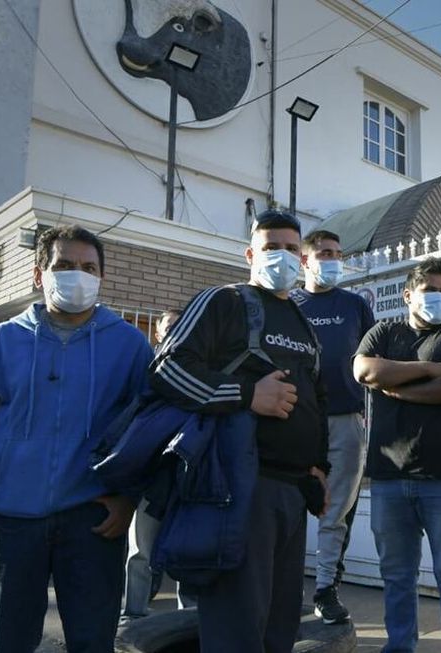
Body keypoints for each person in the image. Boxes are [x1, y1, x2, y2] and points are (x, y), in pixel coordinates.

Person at [0, 225, 153, 652]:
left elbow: (147, 431)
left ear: (102, 277)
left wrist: (129, 497)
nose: (78, 275)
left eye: (89, 267)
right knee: (8, 642)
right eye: (65, 265)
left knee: (92, 642)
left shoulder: (131, 346)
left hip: (94, 521)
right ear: (40, 274)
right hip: (10, 522)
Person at [149, 209, 329, 652]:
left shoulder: (303, 322)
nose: (282, 256)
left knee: (279, 628)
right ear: (251, 253)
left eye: (291, 248)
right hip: (239, 488)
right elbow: (167, 369)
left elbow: (313, 400)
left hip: (292, 492)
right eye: (271, 247)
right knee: (237, 628)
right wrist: (247, 395)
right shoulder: (224, 302)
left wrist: (318, 466)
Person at [353, 257, 441, 653]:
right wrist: (430, 369)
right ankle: (400, 647)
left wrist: (404, 389)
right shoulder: (384, 332)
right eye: (431, 290)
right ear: (409, 295)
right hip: (390, 477)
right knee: (396, 576)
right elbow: (365, 371)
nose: (439, 297)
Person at [290, 229, 375, 624]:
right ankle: (282, 587)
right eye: (325, 253)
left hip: (345, 420)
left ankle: (325, 589)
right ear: (306, 260)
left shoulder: (356, 305)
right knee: (286, 506)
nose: (333, 260)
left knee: (335, 511)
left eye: (338, 254)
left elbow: (374, 361)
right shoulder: (287, 304)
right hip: (293, 420)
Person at [122, 308, 195, 621]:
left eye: (181, 326)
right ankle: (133, 613)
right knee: (141, 551)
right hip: (151, 475)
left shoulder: (198, 368)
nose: (174, 331)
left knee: (186, 551)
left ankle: (187, 617)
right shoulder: (146, 368)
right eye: (169, 326)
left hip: (185, 473)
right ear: (157, 332)